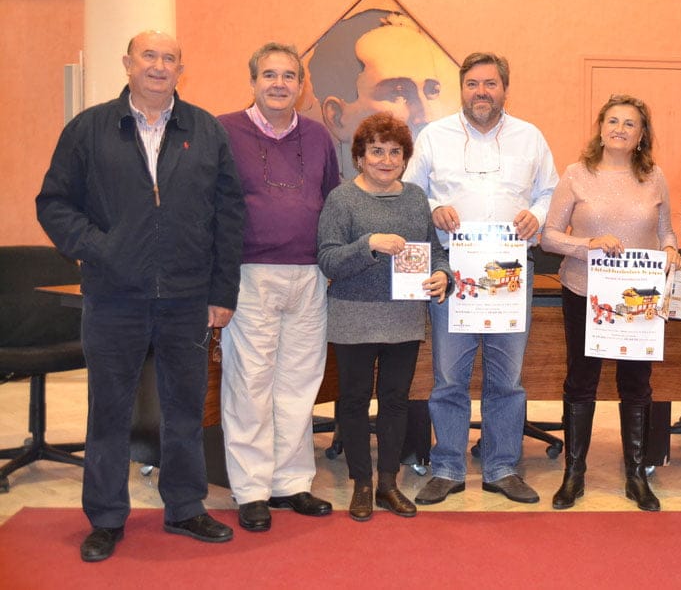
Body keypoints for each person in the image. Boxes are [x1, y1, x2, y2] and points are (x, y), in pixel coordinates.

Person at [36, 31, 246, 562]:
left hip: (187, 298)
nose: (158, 65)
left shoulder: (206, 130)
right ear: (128, 63)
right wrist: (99, 248)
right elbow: (54, 203)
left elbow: (229, 215)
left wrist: (222, 291)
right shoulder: (89, 129)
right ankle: (106, 518)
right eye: (148, 56)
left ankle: (184, 507)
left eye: (169, 57)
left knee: (183, 409)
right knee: (108, 411)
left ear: (182, 68)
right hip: (113, 297)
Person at [403, 52, 559, 505]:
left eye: (490, 84)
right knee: (449, 376)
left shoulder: (530, 137)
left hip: (511, 270)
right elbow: (412, 191)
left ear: (505, 89)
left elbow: (549, 190)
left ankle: (501, 466)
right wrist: (433, 208)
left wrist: (538, 213)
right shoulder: (435, 136)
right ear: (462, 88)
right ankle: (448, 466)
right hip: (453, 271)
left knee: (506, 378)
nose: (481, 92)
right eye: (473, 84)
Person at [217, 42, 340, 533]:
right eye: (269, 75)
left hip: (309, 275)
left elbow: (331, 201)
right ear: (252, 81)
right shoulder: (223, 131)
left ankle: (291, 482)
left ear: (301, 85)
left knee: (298, 384)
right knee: (249, 385)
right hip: (250, 275)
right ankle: (251, 489)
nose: (279, 84)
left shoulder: (318, 136)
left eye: (289, 76)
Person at [541, 94, 681, 512]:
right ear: (600, 128)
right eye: (613, 121)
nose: (620, 129)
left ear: (642, 135)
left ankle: (636, 475)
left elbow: (667, 233)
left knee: (636, 385)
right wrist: (589, 244)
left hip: (637, 301)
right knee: (581, 381)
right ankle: (574, 473)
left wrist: (672, 251)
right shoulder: (576, 174)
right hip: (585, 292)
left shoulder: (654, 177)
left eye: (630, 124)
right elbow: (548, 236)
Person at [317, 112, 451, 521]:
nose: (386, 159)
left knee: (396, 403)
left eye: (395, 152)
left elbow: (436, 251)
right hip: (353, 319)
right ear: (359, 156)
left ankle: (388, 483)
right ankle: (361, 483)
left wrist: (442, 275)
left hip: (404, 319)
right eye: (376, 151)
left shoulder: (414, 198)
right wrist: (368, 244)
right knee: (354, 402)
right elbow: (327, 259)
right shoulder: (341, 199)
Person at [308, 10, 460, 180]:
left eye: (431, 91)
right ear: (337, 116)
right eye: (398, 92)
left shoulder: (439, 193)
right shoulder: (329, 197)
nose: (426, 117)